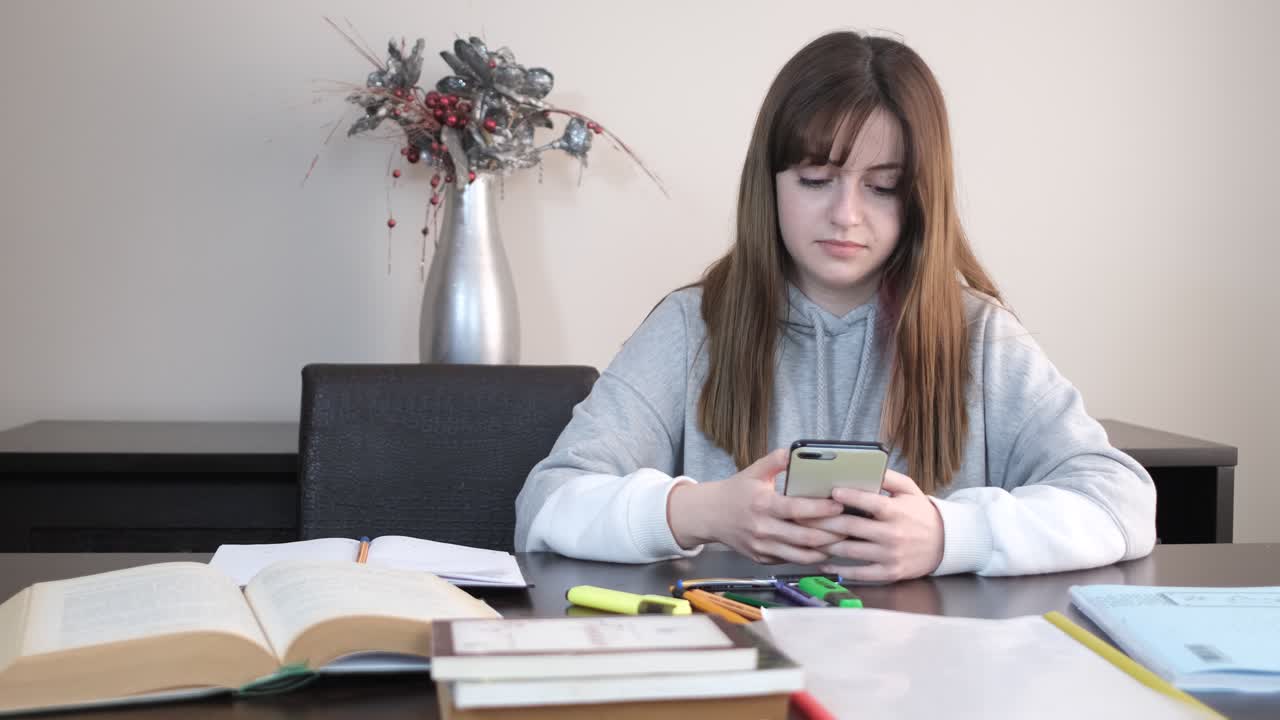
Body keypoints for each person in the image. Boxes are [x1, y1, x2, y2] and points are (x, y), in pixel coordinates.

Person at [513, 30, 1156, 581]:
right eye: (816, 180)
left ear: (919, 198)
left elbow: (1122, 502)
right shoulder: (692, 327)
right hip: (742, 665)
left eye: (882, 187)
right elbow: (545, 505)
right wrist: (699, 512)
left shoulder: (979, 336)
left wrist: (949, 534)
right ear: (769, 183)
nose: (846, 215)